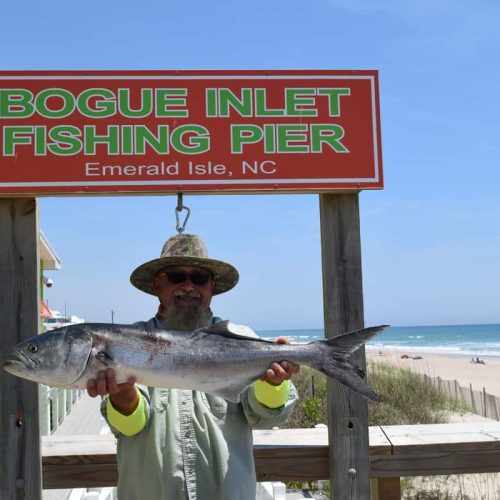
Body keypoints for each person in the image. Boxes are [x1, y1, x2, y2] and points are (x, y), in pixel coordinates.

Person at [86, 233, 299, 500]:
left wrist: (273, 384)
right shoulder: (127, 344)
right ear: (158, 284)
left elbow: (268, 418)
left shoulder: (246, 339)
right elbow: (129, 429)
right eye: (176, 277)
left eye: (198, 278)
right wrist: (123, 398)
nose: (188, 286)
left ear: (211, 287)